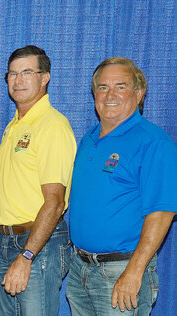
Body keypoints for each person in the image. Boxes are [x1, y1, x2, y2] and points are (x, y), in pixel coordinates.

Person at [66, 57, 177, 315]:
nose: (110, 94)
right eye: (103, 87)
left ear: (139, 94)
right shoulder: (89, 139)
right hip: (80, 267)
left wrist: (134, 272)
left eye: (121, 86)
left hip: (121, 271)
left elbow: (161, 214)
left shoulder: (154, 143)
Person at [0, 45, 76, 316]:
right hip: (8, 241)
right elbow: (13, 196)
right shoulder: (15, 126)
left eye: (27, 72)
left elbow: (54, 204)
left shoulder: (51, 126)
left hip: (38, 245)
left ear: (45, 78)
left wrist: (27, 257)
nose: (18, 80)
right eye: (12, 73)